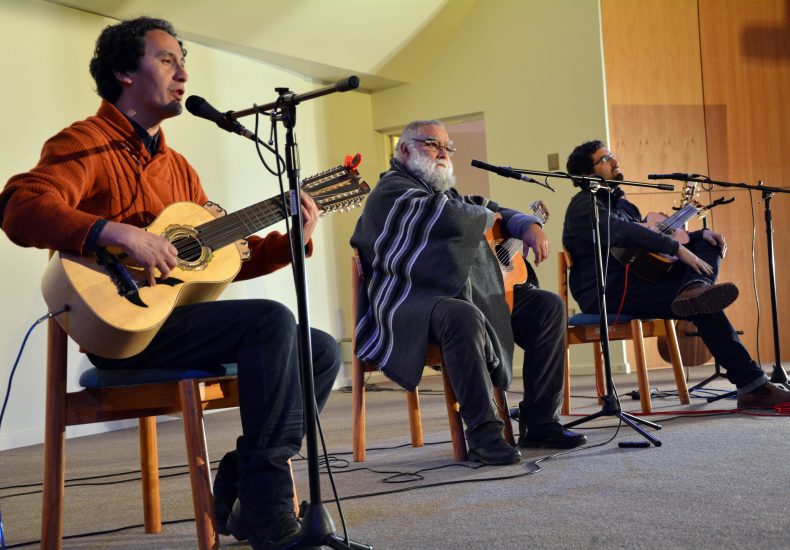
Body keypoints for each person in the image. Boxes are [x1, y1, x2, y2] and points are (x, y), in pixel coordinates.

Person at [0, 17, 341, 549]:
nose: (183, 74)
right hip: (121, 331)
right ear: (124, 72)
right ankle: (268, 507)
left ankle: (246, 480)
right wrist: (118, 234)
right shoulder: (84, 143)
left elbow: (215, 262)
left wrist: (292, 240)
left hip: (175, 321)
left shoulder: (179, 169)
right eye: (167, 61)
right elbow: (20, 207)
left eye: (184, 63)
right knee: (270, 320)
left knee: (320, 350)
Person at [351, 120, 586, 466]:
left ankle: (540, 422)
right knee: (462, 315)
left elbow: (484, 208)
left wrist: (528, 224)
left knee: (547, 307)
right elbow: (450, 217)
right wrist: (490, 216)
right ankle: (484, 435)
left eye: (448, 147)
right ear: (404, 150)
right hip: (411, 301)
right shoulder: (391, 192)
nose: (443, 153)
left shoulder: (445, 194)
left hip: (460, 293)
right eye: (433, 144)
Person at [562, 140, 790, 408]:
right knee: (702, 303)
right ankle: (753, 387)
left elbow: (645, 243)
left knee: (707, 247)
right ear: (587, 174)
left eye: (612, 155)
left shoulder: (625, 206)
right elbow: (624, 232)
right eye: (604, 159)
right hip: (607, 293)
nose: (614, 161)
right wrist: (678, 249)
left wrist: (698, 236)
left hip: (641, 281)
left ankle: (695, 287)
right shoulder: (582, 206)